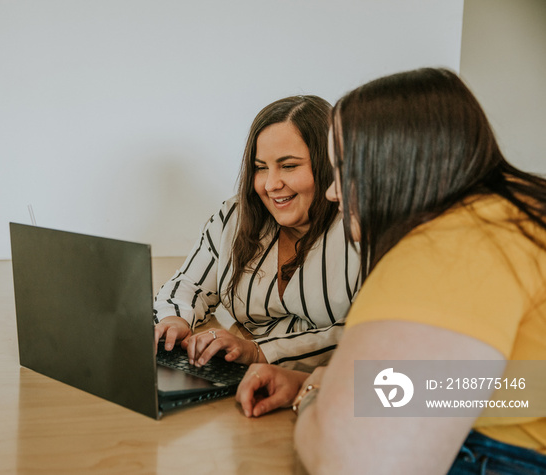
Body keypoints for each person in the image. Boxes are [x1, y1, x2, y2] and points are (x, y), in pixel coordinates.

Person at [236, 68, 546, 474]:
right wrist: (339, 383)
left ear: (391, 164)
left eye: (341, 167)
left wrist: (314, 395)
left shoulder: (446, 246)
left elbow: (349, 460)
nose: (333, 192)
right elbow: (524, 388)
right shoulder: (517, 213)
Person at [153, 95, 360, 370]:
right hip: (246, 375)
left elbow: (362, 333)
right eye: (261, 168)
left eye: (289, 166)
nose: (271, 184)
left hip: (334, 382)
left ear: (329, 165)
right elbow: (188, 286)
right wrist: (174, 320)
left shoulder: (360, 227)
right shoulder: (234, 217)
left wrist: (260, 352)